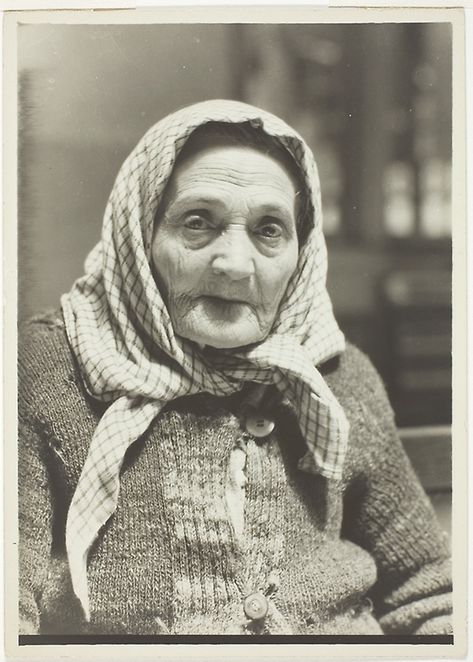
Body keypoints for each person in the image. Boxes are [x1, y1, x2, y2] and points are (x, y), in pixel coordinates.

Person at [18, 100, 452, 636]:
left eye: (269, 230)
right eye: (198, 223)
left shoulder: (334, 375)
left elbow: (429, 589)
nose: (235, 264)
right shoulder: (52, 365)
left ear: (303, 251)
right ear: (140, 237)